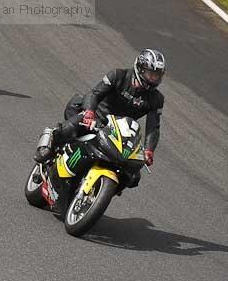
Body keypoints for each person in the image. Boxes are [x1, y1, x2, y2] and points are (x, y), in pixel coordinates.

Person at [34, 48, 166, 184]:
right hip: (96, 119)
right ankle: (47, 147)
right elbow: (94, 94)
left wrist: (149, 150)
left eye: (157, 76)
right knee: (67, 130)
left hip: (120, 133)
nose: (154, 79)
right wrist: (89, 111)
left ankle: (100, 188)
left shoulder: (157, 98)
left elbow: (153, 126)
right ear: (140, 69)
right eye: (151, 74)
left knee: (133, 177)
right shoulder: (118, 75)